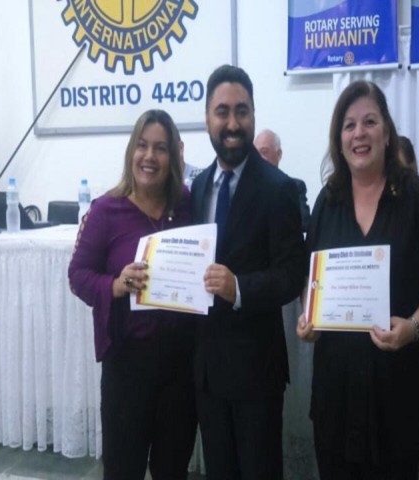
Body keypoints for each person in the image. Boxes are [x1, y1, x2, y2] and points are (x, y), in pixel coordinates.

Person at [297, 80, 419, 479]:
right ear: (339, 139)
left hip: (396, 397)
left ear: (386, 132)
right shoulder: (327, 202)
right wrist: (308, 318)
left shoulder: (418, 197)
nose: (359, 133)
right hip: (336, 400)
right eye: (349, 125)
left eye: (369, 121)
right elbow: (311, 281)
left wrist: (414, 326)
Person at [190, 65, 306, 480]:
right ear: (208, 118)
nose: (233, 123)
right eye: (222, 112)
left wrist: (239, 287)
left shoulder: (279, 188)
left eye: (242, 111)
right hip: (207, 371)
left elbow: (292, 273)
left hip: (256, 371)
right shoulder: (198, 187)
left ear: (253, 114)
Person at [68, 110, 197, 480]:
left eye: (160, 148)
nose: (149, 156)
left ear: (174, 156)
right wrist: (115, 285)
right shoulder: (106, 210)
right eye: (142, 146)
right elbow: (77, 275)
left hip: (180, 365)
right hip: (127, 365)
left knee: (172, 469)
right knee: (123, 469)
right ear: (131, 152)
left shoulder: (187, 204)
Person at [254, 129, 311, 232]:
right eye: (256, 154)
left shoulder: (295, 186)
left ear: (279, 154)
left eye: (264, 152)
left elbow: (304, 222)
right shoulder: (245, 188)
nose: (259, 159)